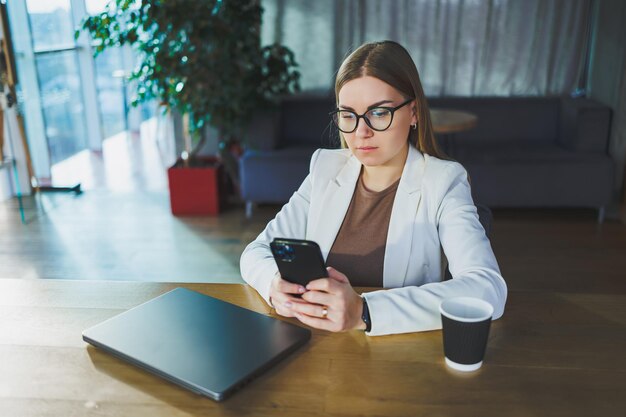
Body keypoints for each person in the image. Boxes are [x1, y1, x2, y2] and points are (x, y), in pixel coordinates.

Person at [240, 40, 507, 336]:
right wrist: (274, 284)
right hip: (316, 346)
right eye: (348, 115)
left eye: (379, 113)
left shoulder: (443, 181)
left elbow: (488, 288)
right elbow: (255, 252)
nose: (361, 132)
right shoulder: (325, 169)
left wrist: (364, 312)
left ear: (414, 113)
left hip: (395, 358)